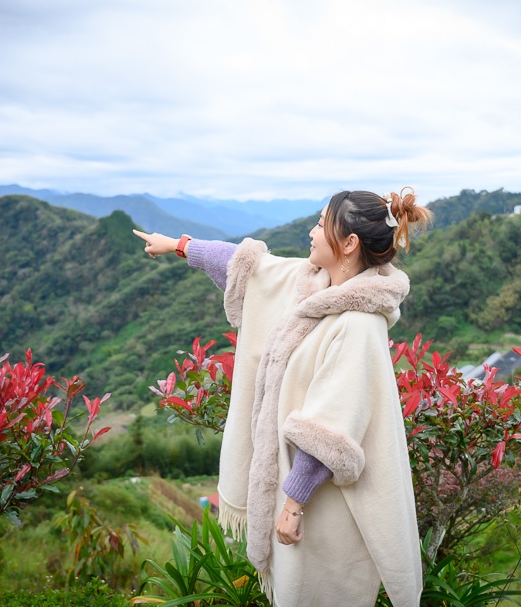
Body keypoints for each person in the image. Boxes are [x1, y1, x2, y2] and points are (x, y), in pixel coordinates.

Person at [133, 188, 432, 607]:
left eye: (320, 224)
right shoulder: (312, 285)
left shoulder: (359, 325)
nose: (310, 232)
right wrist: (179, 246)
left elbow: (329, 430)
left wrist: (292, 505)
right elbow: (250, 268)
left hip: (319, 506)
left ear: (348, 244)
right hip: (296, 496)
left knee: (316, 591)